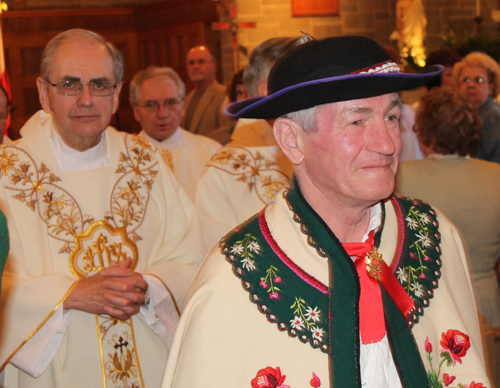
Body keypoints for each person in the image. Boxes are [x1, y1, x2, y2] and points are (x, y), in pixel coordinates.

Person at [161, 36, 490, 388]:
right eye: (356, 122)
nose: (388, 143)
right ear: (291, 140)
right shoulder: (233, 279)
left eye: (392, 116)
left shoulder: (433, 234)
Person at [0, 29, 205, 388]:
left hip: (150, 361)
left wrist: (148, 285)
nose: (85, 99)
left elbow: (192, 254)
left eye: (99, 85)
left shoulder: (146, 161)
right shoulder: (7, 173)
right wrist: (68, 295)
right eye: (69, 84)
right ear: (43, 93)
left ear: (117, 95)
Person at [396, 87, 500, 329]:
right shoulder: (496, 177)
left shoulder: (398, 178)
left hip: (424, 307)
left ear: (424, 134)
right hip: (485, 306)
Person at [195, 37, 303, 250]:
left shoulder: (328, 147)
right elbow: (224, 255)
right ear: (267, 92)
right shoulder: (223, 171)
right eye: (303, 81)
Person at [130, 66, 221, 201]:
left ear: (183, 106)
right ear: (136, 111)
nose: (162, 114)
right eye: (151, 104)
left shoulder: (212, 151)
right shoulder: (124, 156)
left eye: (171, 102)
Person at [453, 51, 500, 163]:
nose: (471, 85)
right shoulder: (460, 114)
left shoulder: (494, 118)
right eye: (466, 80)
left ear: (491, 88)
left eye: (478, 80)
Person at [182, 45, 233, 136]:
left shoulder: (224, 94)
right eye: (191, 63)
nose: (196, 66)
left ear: (214, 67)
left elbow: (227, 133)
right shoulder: (187, 99)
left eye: (201, 62)